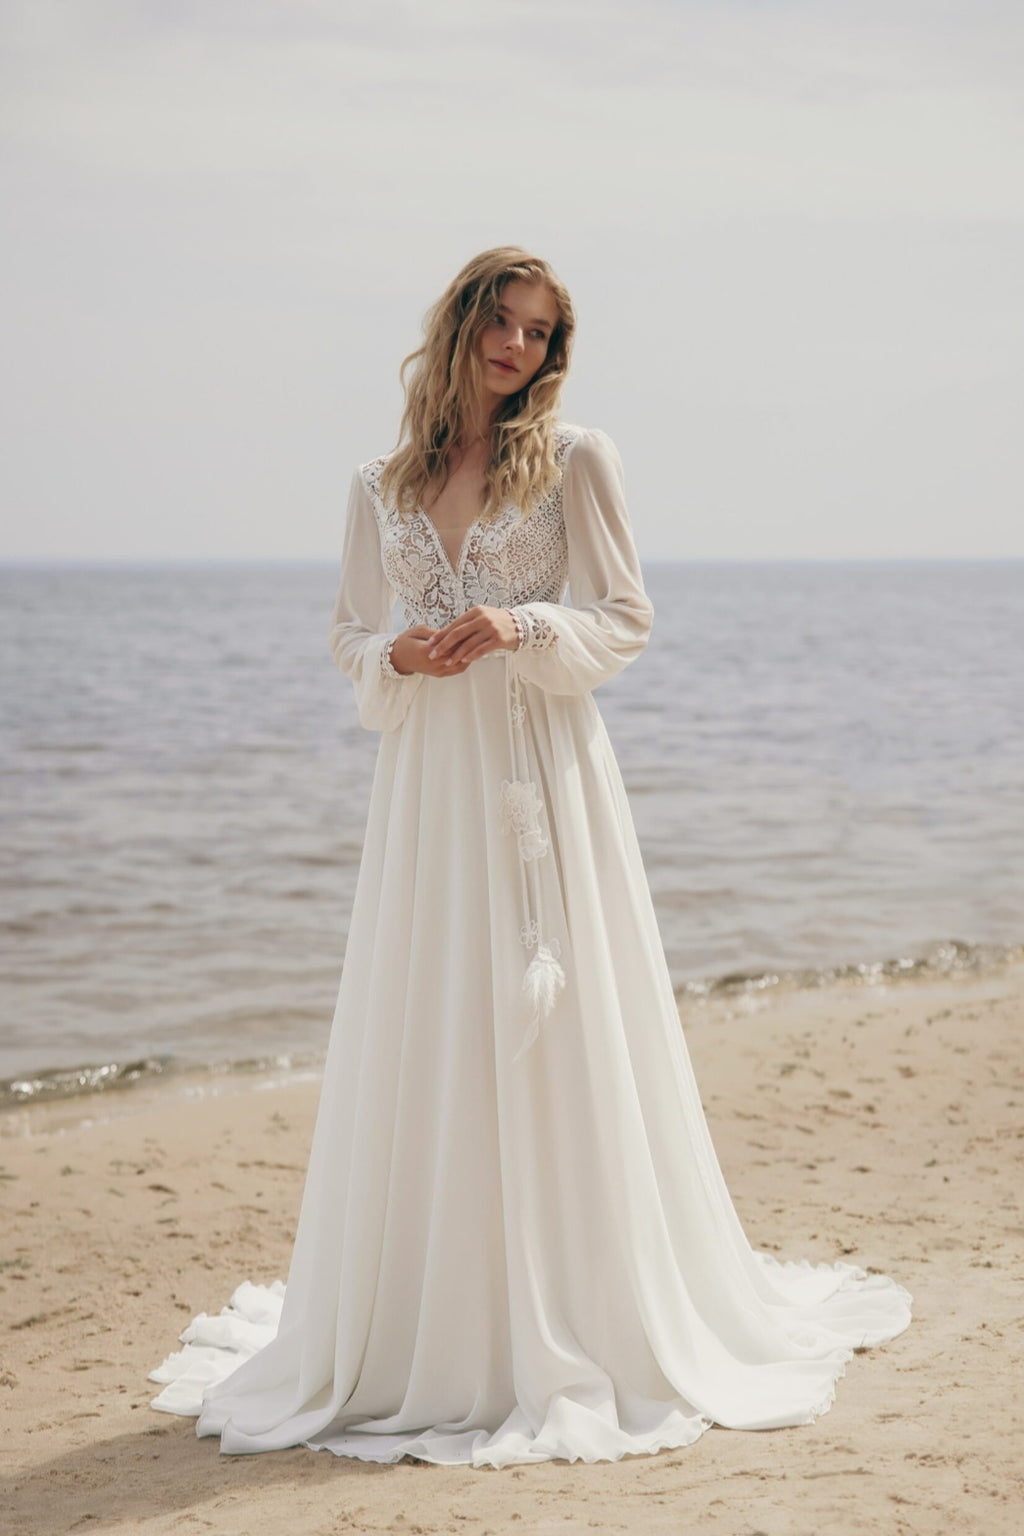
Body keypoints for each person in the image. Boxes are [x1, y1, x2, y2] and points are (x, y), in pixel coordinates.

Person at [150, 247, 912, 1468]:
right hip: (426, 795)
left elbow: (626, 618)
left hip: (542, 776)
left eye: (539, 333)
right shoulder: (379, 482)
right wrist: (399, 658)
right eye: (499, 322)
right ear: (456, 326)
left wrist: (523, 621)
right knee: (437, 1012)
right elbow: (350, 632)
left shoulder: (573, 460)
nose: (516, 348)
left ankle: (578, 1305)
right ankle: (435, 1319)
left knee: (556, 1012)